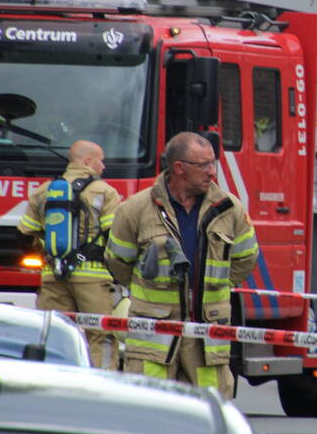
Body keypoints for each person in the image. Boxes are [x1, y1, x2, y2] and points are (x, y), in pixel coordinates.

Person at [105, 131, 258, 398]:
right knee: (149, 407)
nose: (212, 172)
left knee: (209, 411)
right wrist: (152, 293)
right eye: (204, 165)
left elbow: (246, 259)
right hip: (154, 335)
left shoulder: (228, 208)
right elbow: (117, 262)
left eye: (213, 163)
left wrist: (211, 287)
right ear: (179, 168)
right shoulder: (136, 209)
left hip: (206, 334)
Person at [18, 139, 121, 369]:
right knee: (101, 336)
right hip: (93, 279)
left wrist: (48, 256)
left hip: (52, 276)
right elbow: (114, 237)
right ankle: (102, 382)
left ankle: (53, 382)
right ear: (88, 161)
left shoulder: (44, 191)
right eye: (101, 161)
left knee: (52, 334)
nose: (103, 166)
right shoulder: (105, 192)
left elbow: (24, 235)